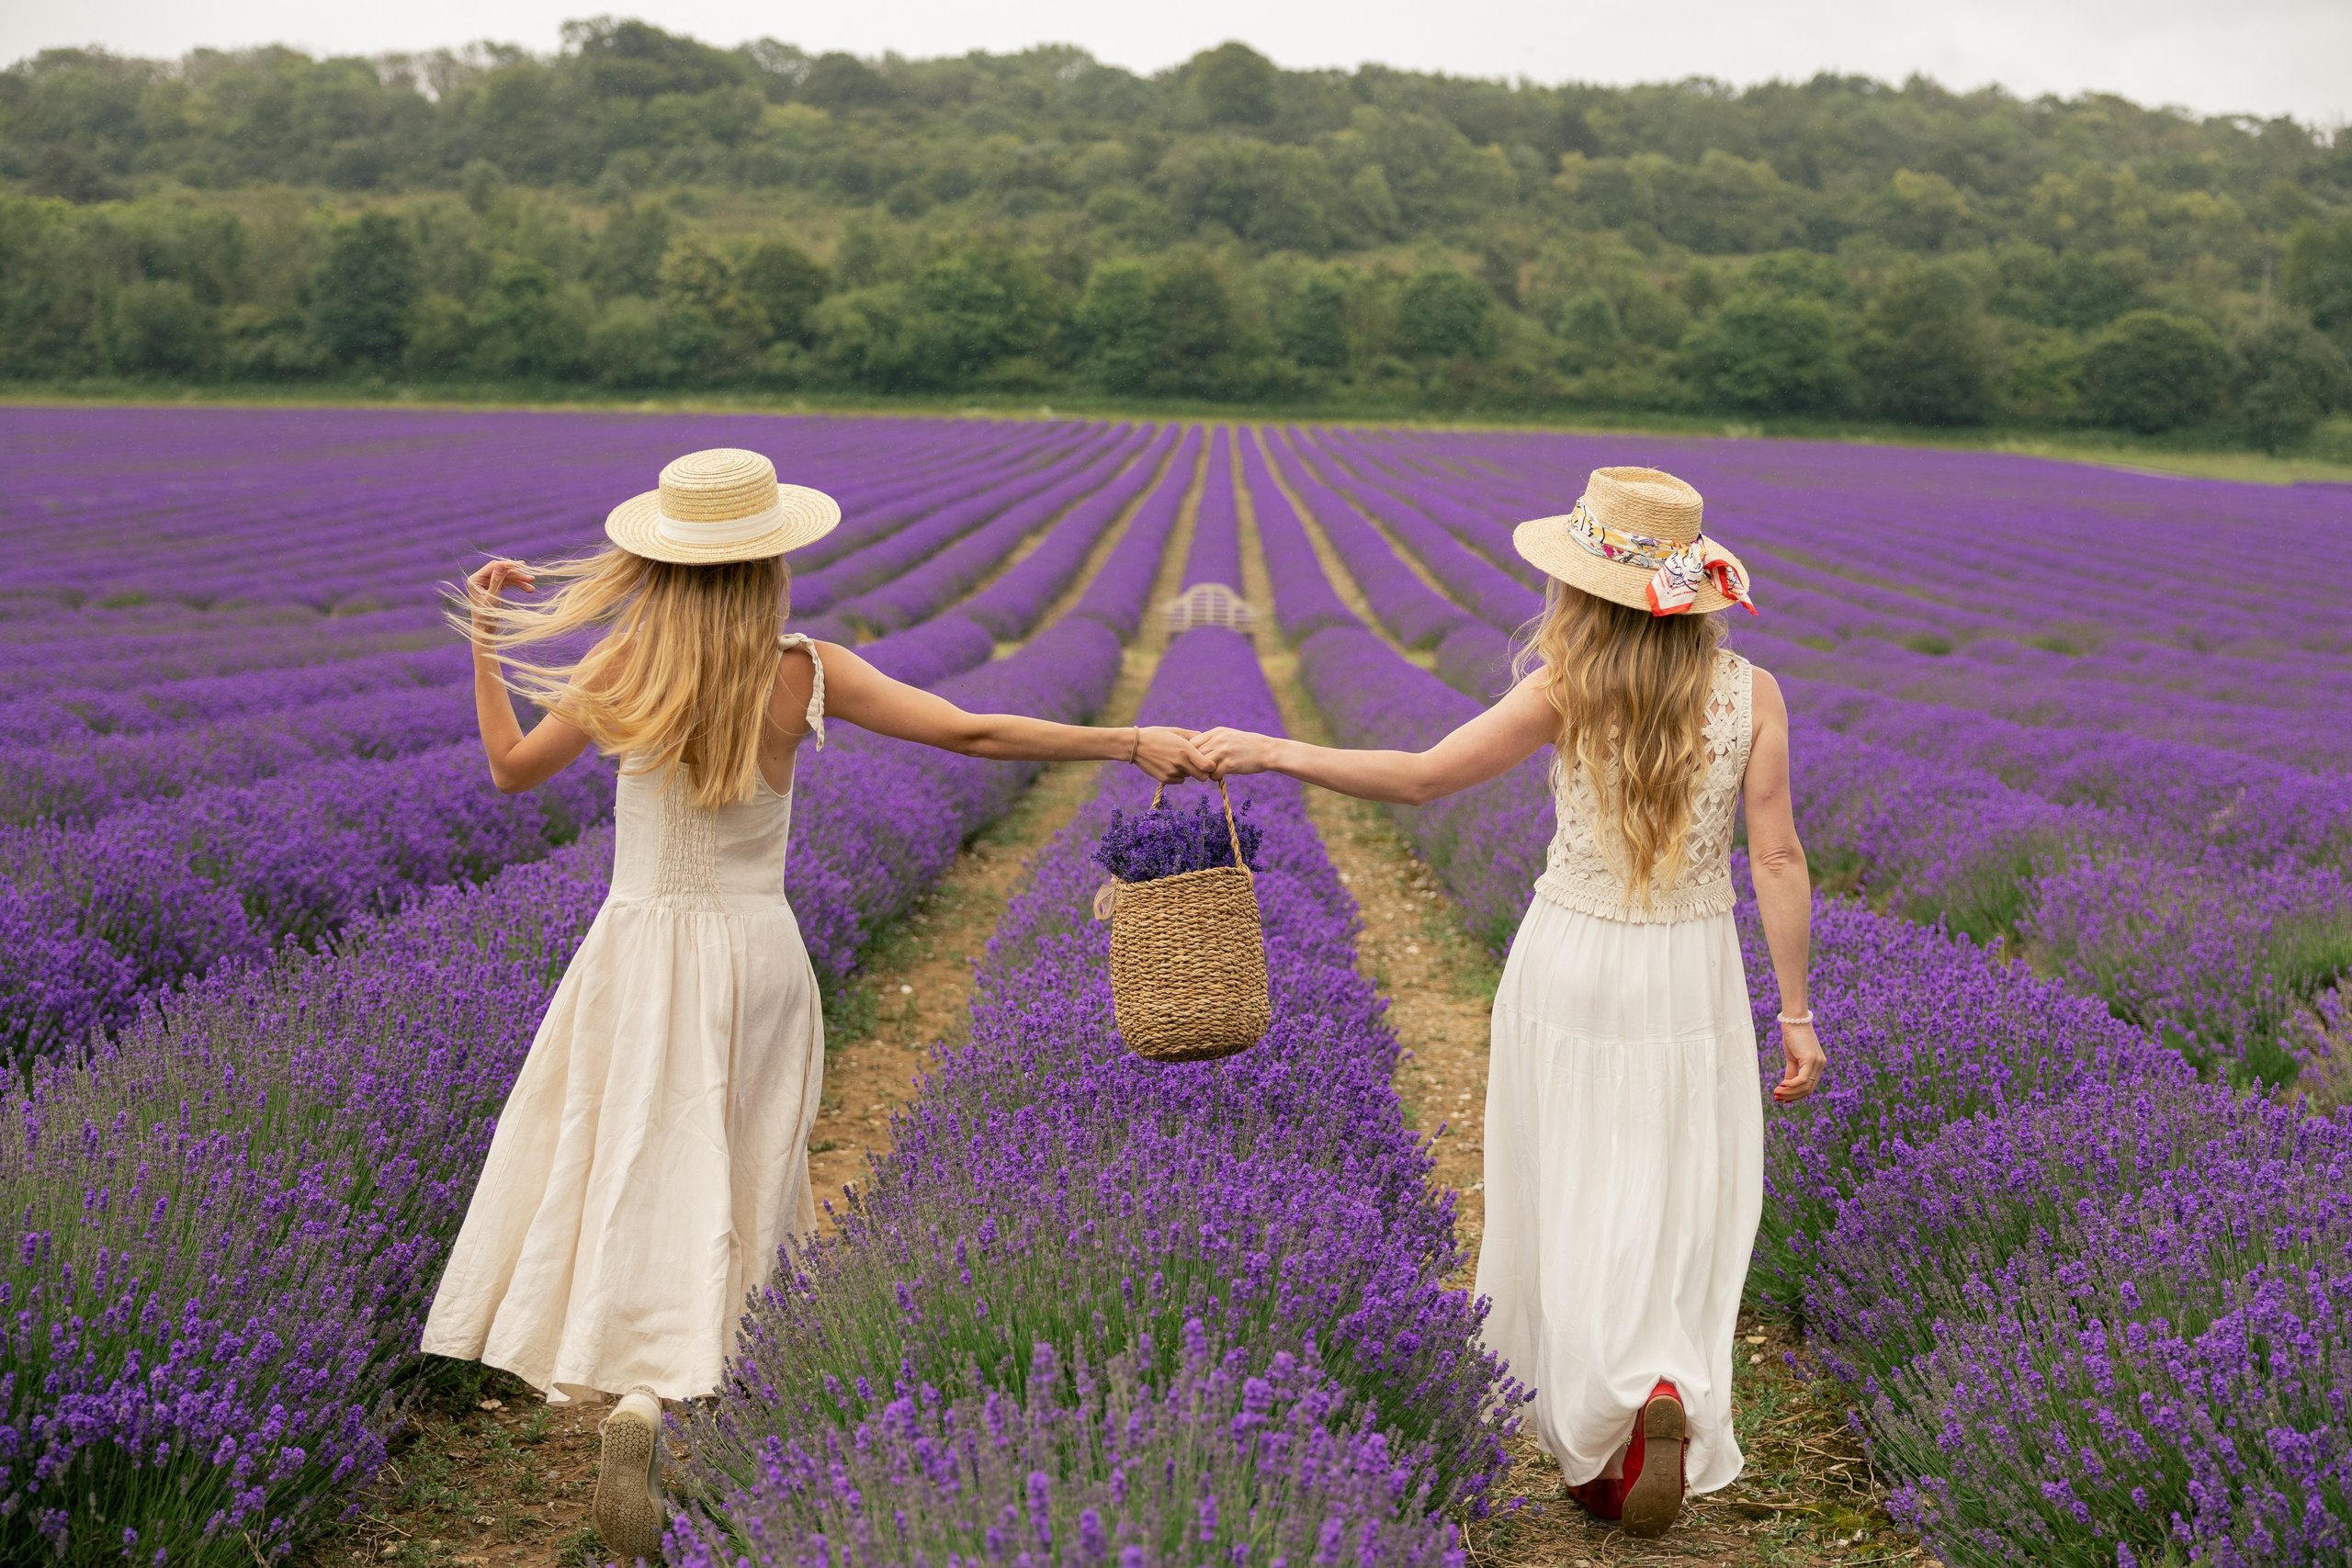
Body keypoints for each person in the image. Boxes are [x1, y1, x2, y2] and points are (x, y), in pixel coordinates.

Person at [419, 448, 1209, 1563]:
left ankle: (632, 1387)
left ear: (663, 562)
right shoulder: (802, 670)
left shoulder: (621, 664)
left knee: (631, 1151)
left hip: (637, 944)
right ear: (770, 562)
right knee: (740, 1160)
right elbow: (969, 732)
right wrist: (1127, 739)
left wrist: (486, 645)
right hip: (757, 953)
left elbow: (509, 770)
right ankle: (678, 1388)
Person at [1196, 466, 1824, 1540]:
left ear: (1582, 589)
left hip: (1571, 954)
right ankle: (1661, 1379)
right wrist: (1797, 1013)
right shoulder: (1750, 691)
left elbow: (1422, 778)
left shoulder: (1564, 684)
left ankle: (1598, 1427)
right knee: (1672, 1182)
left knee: (1570, 1181)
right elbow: (1776, 858)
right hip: (1691, 965)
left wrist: (1268, 748)